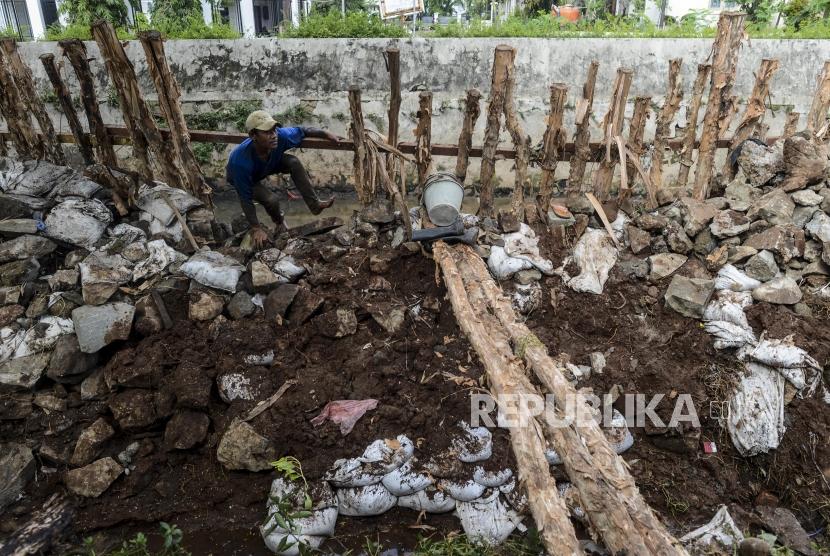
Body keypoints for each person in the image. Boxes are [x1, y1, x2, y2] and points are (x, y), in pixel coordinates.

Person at [226, 110, 340, 248]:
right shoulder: (240, 162)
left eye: (274, 130)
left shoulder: (281, 136)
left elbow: (303, 130)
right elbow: (245, 198)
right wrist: (256, 228)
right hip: (246, 178)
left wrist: (325, 134)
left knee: (293, 162)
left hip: (268, 165)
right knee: (271, 200)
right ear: (253, 135)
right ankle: (279, 221)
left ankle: (315, 205)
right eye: (267, 132)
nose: (273, 136)